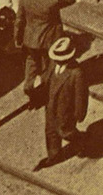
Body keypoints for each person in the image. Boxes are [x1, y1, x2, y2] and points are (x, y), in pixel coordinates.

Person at [17, 0, 74, 105]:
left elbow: (19, 19)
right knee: (49, 66)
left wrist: (17, 37)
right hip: (48, 40)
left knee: (31, 63)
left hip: (30, 39)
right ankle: (44, 90)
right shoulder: (52, 1)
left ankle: (29, 87)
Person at [36, 35, 88, 170]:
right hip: (50, 106)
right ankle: (54, 156)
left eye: (60, 59)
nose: (57, 61)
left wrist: (79, 114)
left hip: (66, 111)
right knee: (50, 131)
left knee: (65, 131)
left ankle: (80, 140)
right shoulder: (53, 64)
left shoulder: (76, 73)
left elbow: (81, 96)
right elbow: (47, 78)